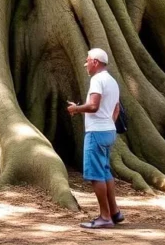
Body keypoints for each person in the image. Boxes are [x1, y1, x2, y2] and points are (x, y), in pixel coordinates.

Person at [67, 48, 123, 230]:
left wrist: (76, 109)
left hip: (96, 133)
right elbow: (116, 109)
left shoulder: (97, 80)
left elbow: (93, 106)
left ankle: (105, 217)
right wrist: (109, 124)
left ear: (96, 62)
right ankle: (114, 212)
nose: (85, 64)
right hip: (108, 131)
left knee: (96, 176)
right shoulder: (113, 81)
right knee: (105, 172)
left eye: (88, 60)